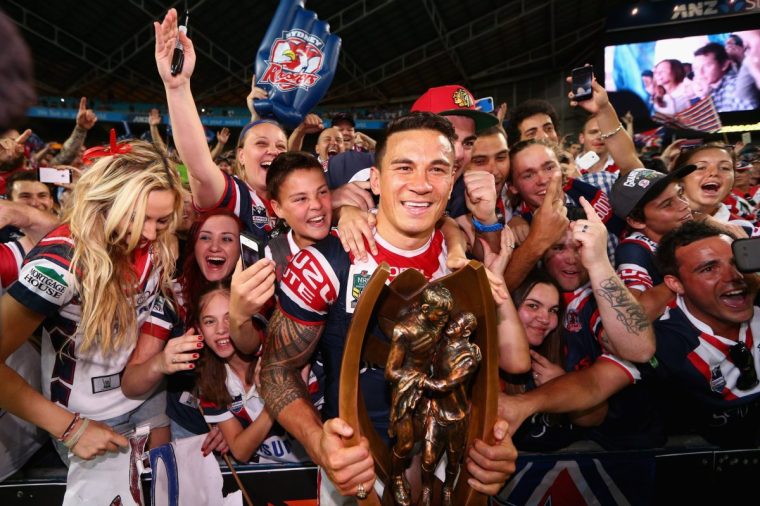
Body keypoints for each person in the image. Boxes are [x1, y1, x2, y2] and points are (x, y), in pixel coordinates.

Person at [258, 112, 517, 504]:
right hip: (356, 470)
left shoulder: (464, 269)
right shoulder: (324, 263)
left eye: (437, 169)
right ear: (375, 180)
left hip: (450, 469)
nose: (421, 184)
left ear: (451, 183)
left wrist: (493, 445)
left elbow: (488, 375)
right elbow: (277, 369)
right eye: (404, 167)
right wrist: (318, 443)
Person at [0, 140, 182, 500]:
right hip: (87, 417)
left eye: (162, 220)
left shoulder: (158, 241)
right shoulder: (60, 262)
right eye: (138, 217)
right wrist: (70, 429)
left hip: (147, 396)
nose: (149, 233)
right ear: (106, 201)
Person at [156, 10, 286, 244]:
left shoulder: (294, 202)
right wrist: (178, 87)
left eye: (281, 146)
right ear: (241, 156)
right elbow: (200, 170)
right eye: (262, 144)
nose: (274, 151)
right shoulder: (239, 197)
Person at [196, 282, 309, 464]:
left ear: (247, 320)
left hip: (316, 468)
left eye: (229, 318)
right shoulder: (210, 380)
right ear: (200, 331)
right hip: (266, 477)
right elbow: (240, 452)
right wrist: (275, 402)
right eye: (210, 321)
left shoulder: (282, 354)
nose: (221, 330)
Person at [386, 284, 454, 505]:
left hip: (431, 389)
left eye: (447, 314)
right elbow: (391, 371)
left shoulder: (439, 323)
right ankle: (396, 476)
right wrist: (417, 379)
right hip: (406, 391)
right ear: (425, 309)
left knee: (432, 441)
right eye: (441, 313)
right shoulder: (404, 331)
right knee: (405, 444)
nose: (445, 318)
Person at [611, 166, 696, 319]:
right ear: (637, 221)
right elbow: (635, 315)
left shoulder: (694, 230)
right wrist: (691, 272)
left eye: (680, 194)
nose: (684, 204)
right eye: (667, 204)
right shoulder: (633, 249)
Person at [419, 311, 481, 506]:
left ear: (466, 332)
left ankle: (447, 488)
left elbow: (445, 384)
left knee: (453, 461)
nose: (450, 326)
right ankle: (427, 489)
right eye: (452, 322)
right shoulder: (441, 342)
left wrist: (420, 381)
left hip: (456, 417)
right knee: (428, 459)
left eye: (456, 325)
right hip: (435, 410)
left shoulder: (468, 357)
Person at [692, 42, 758, 112]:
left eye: (707, 66)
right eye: (696, 68)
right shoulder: (706, 89)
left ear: (724, 65)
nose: (699, 73)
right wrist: (704, 97)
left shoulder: (735, 86)